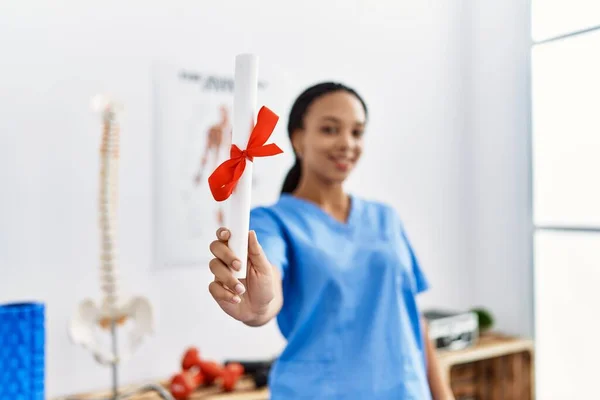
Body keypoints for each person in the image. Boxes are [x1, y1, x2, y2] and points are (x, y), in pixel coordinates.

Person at [208, 82, 455, 399]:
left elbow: (413, 319)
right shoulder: (271, 222)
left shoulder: (385, 218)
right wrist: (257, 305)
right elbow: (268, 290)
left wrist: (443, 395)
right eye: (329, 129)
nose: (347, 143)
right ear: (298, 138)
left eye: (357, 132)